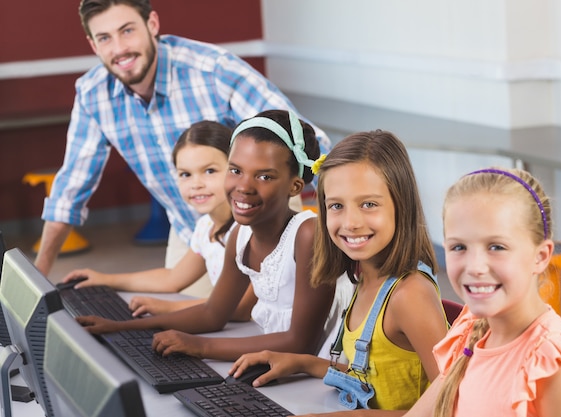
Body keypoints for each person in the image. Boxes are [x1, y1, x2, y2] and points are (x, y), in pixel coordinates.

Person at [34, 0, 331, 280]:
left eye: (127, 30)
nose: (120, 48)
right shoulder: (92, 93)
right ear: (92, 44)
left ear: (152, 23)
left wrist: (346, 226)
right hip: (192, 229)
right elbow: (70, 189)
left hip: (260, 224)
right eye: (105, 38)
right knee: (176, 316)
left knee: (253, 320)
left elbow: (303, 142)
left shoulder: (213, 69)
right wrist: (40, 279)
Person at [75, 110, 338, 362]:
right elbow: (213, 313)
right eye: (235, 170)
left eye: (264, 176)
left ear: (295, 186)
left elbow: (301, 343)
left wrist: (200, 346)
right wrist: (121, 326)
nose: (244, 187)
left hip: (318, 366)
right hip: (273, 357)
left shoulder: (307, 234)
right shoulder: (240, 234)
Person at [230, 130, 448, 412]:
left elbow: (451, 403)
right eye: (336, 206)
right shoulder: (367, 277)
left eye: (368, 204)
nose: (351, 222)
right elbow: (373, 378)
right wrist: (302, 363)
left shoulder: (409, 295)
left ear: (401, 206)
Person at [403, 168, 561, 417]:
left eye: (496, 247)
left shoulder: (558, 367)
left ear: (540, 257)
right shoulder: (470, 329)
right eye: (459, 247)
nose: (475, 267)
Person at [61, 121, 256, 318]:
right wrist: (105, 279)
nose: (196, 184)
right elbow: (172, 278)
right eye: (185, 174)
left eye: (209, 171)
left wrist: (169, 308)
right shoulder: (206, 227)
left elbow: (241, 307)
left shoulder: (251, 229)